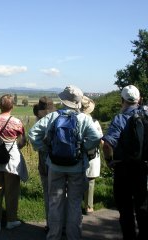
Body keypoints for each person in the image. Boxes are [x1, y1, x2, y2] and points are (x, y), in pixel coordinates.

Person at [28, 85, 102, 240]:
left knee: (55, 202)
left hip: (54, 165)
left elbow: (33, 133)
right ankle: (73, 236)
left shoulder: (53, 117)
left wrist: (45, 149)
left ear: (63, 100)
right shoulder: (84, 118)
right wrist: (83, 149)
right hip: (77, 166)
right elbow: (95, 138)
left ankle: (53, 235)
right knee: (74, 203)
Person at [102, 85, 148, 240]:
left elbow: (107, 144)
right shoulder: (146, 115)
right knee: (143, 206)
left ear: (122, 100)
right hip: (143, 167)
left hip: (123, 169)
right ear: (139, 99)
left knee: (126, 209)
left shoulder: (120, 118)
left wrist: (109, 160)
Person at [0, 94, 28, 231]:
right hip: (12, 159)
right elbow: (22, 141)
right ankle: (11, 220)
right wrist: (14, 146)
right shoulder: (17, 122)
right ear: (12, 106)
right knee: (12, 191)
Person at [32, 96, 56, 232]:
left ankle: (51, 224)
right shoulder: (58, 118)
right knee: (61, 194)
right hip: (61, 159)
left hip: (44, 161)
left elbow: (33, 138)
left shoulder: (39, 122)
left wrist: (43, 149)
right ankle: (63, 224)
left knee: (48, 193)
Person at [81, 96, 103, 214]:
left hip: (79, 154)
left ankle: (72, 204)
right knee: (91, 181)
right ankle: (89, 206)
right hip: (93, 155)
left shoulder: (76, 121)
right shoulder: (95, 122)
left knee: (75, 180)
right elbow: (101, 139)